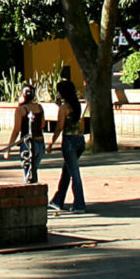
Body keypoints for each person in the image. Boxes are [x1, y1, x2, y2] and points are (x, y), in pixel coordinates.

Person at [51, 67, 86, 212]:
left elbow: (59, 126)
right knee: (67, 171)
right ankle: (58, 200)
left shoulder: (64, 108)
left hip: (69, 142)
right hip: (79, 140)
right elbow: (82, 124)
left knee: (74, 173)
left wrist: (51, 142)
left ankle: (79, 203)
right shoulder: (76, 106)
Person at [4, 84, 46, 181]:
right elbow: (42, 125)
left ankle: (29, 192)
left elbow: (16, 130)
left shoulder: (21, 110)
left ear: (23, 95)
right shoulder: (39, 107)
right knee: (34, 171)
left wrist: (8, 148)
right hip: (40, 143)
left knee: (28, 173)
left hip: (28, 145)